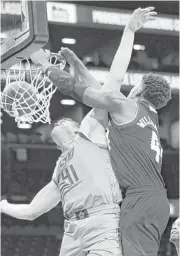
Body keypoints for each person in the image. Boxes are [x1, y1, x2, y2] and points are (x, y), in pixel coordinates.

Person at [31, 7, 166, 256]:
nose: (132, 87)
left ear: (140, 90)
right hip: (155, 199)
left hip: (139, 199)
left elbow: (89, 88)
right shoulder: (148, 117)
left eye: (135, 85)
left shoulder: (126, 105)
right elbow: (102, 96)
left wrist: (44, 66)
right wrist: (79, 65)